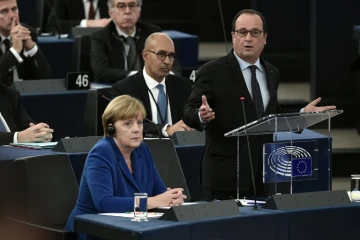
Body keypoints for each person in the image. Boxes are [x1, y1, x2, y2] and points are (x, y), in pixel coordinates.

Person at [181, 9, 336, 201]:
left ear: (265, 38)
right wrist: (200, 115)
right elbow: (189, 111)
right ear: (233, 36)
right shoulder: (212, 71)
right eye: (242, 32)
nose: (248, 38)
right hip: (225, 176)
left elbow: (270, 116)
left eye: (255, 33)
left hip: (264, 173)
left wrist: (303, 115)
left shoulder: (272, 72)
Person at [65, 95, 187, 240]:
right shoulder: (101, 153)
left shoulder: (142, 149)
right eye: (128, 124)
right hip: (92, 231)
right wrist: (154, 201)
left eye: (140, 123)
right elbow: (105, 203)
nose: (136, 129)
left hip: (128, 226)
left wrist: (171, 198)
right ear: (111, 128)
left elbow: (158, 190)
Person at [112, 33, 192, 137]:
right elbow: (127, 125)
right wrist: (165, 130)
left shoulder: (183, 86)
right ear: (145, 55)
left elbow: (191, 117)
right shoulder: (124, 89)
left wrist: (200, 116)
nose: (167, 61)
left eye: (171, 56)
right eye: (161, 54)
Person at [90, 0, 162, 83]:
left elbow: (172, 64)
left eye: (132, 5)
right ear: (111, 12)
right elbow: (101, 72)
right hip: (116, 90)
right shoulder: (100, 37)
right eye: (121, 6)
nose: (127, 11)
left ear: (139, 11)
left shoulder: (152, 32)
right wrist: (137, 75)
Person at [0, 0, 52, 86]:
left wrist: (32, 49)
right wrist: (14, 51)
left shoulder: (27, 32)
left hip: (24, 95)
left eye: (14, 9)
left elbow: (47, 79)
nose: (12, 16)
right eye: (3, 11)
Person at [47, 0, 111, 34]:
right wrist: (86, 23)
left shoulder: (111, 1)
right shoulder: (66, 1)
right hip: (75, 47)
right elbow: (52, 24)